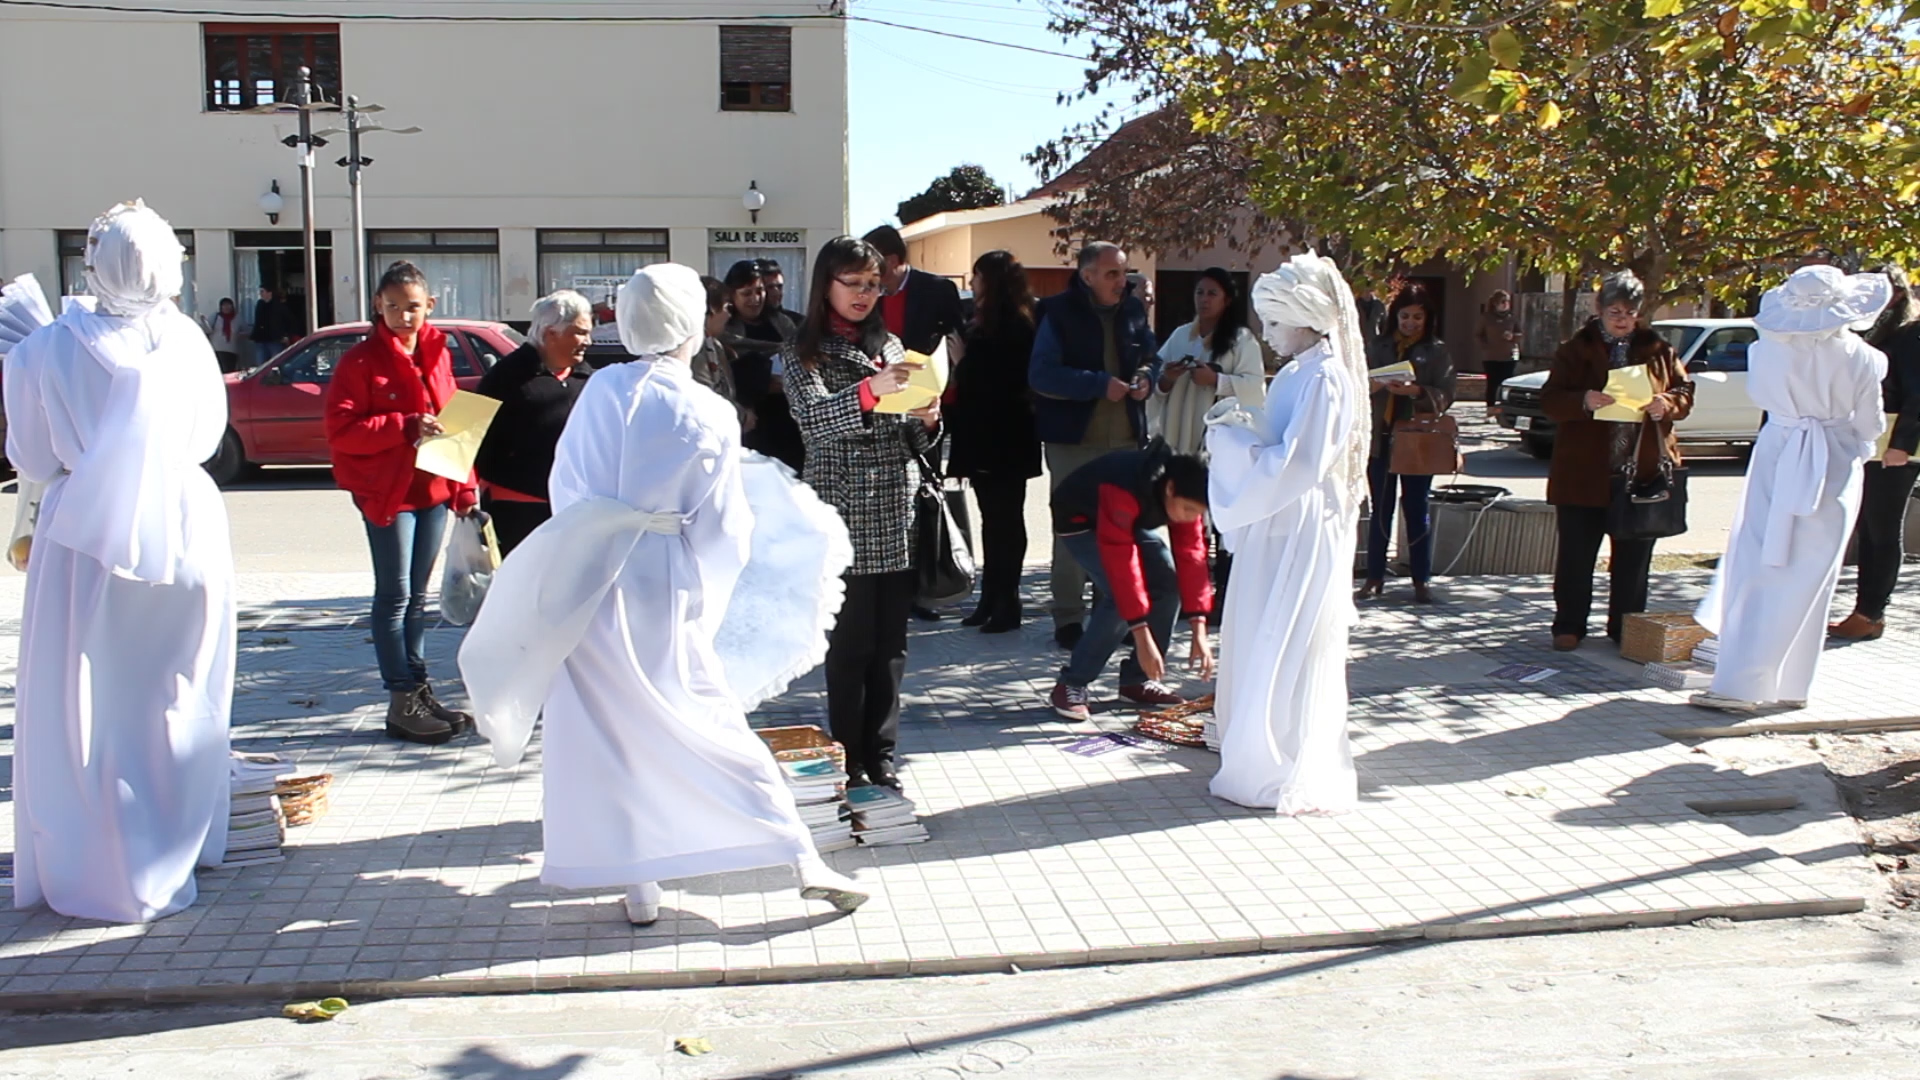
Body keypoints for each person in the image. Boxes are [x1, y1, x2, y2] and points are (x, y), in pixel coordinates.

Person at [458, 262, 869, 925]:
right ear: (687, 323)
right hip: (661, 580)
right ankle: (799, 857)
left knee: (606, 730)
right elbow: (725, 525)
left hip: (584, 579)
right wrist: (704, 591)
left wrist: (590, 544)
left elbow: (567, 488)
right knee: (707, 717)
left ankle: (638, 883)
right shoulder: (703, 406)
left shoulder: (598, 392)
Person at [4, 201, 235, 922]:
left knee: (86, 700)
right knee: (177, 693)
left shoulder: (43, 349)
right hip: (186, 524)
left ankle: (95, 854)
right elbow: (207, 437)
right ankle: (173, 844)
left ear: (92, 264)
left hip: (85, 539)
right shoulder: (190, 341)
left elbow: (32, 459)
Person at [1205, 251, 1371, 814]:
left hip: (1299, 524)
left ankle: (1279, 762)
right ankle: (1258, 754)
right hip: (1280, 520)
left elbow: (1300, 464)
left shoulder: (1325, 377)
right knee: (1262, 634)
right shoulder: (1302, 372)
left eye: (1274, 322)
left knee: (1287, 639)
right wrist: (1241, 428)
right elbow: (1283, 446)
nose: (1265, 333)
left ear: (1305, 318)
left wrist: (1232, 447)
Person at [1695, 266, 1891, 712]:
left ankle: (1741, 680)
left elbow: (1762, 399)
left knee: (1758, 563)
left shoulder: (1766, 352)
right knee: (1811, 573)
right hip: (1834, 461)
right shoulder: (1861, 356)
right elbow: (1870, 423)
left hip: (1779, 455)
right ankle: (1789, 685)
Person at [784, 236, 942, 791]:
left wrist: (927, 421)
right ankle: (849, 757)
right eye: (852, 283)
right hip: (841, 513)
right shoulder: (801, 350)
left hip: (894, 510)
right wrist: (870, 392)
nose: (863, 295)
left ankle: (883, 755)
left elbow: (908, 439)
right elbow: (813, 423)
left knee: (891, 647)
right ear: (826, 283)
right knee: (850, 647)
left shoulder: (892, 345)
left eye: (873, 285)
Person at [324, 260, 478, 745]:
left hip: (432, 489)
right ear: (378, 306)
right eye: (392, 307)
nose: (403, 316)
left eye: (412, 307)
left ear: (430, 305)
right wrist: (404, 425)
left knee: (417, 598)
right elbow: (342, 432)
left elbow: (454, 418)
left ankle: (418, 688)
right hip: (386, 493)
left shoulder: (438, 351)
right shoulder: (361, 361)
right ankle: (400, 699)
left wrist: (466, 488)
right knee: (393, 597)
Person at [1539, 270, 1692, 651]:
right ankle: (1569, 625)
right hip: (1584, 470)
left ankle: (1626, 627)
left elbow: (1684, 391)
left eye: (1629, 312)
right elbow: (1550, 399)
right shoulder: (1575, 349)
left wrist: (1667, 404)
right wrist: (1583, 401)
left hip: (1640, 471)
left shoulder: (1658, 349)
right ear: (1599, 309)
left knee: (1633, 559)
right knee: (1576, 556)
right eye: (1614, 311)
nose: (1622, 319)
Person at [1029, 242, 1162, 652]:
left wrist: (1144, 377)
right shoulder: (1057, 313)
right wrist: (1098, 384)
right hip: (1074, 440)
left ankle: (1114, 614)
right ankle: (1068, 617)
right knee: (1073, 531)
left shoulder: (1134, 310)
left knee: (1120, 530)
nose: (1121, 282)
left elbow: (1151, 357)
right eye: (1112, 274)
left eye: (1124, 273)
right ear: (1087, 276)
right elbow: (1042, 374)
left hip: (1124, 438)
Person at [1045, 441, 1215, 721]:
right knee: (1118, 596)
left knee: (1167, 584)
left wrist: (1199, 627)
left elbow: (1192, 556)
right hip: (1080, 520)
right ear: (1170, 489)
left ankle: (1137, 681)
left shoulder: (1187, 491)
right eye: (1187, 510)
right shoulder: (1124, 486)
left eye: (1197, 513)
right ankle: (1071, 684)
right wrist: (1141, 633)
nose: (1190, 518)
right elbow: (1122, 566)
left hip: (1127, 521)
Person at [863, 224, 969, 621]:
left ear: (891, 261)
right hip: (876, 404)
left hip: (924, 407)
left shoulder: (936, 289)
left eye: (874, 262)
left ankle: (924, 586)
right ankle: (889, 588)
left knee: (924, 497)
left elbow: (954, 340)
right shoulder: (866, 293)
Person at [947, 250, 1040, 633]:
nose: (972, 283)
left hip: (1006, 436)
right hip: (983, 435)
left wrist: (964, 361)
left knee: (1007, 520)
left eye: (978, 276)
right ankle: (991, 597)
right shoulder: (979, 320)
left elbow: (1000, 383)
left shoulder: (1017, 324)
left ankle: (1007, 602)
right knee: (991, 520)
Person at [1832, 264, 1920, 641]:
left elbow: (1918, 394)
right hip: (1872, 440)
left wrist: (1902, 445)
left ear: (1896, 295)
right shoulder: (1876, 333)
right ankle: (1865, 609)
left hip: (1895, 445)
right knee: (1868, 526)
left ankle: (1871, 613)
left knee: (1882, 529)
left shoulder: (1910, 335)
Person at [472, 289, 596, 555]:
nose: (589, 341)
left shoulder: (589, 380)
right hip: (517, 512)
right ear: (551, 334)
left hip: (575, 509)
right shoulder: (505, 378)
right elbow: (471, 438)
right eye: (580, 332)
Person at [1359, 284, 1455, 603]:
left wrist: (1416, 392)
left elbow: (1446, 393)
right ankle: (1374, 576)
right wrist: (1375, 385)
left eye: (1417, 316)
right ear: (1394, 316)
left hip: (1418, 440)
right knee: (1380, 509)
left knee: (1416, 508)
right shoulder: (1379, 345)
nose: (1410, 322)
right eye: (1404, 316)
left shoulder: (1437, 350)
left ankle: (1421, 579)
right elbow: (1358, 384)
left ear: (1428, 318)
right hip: (1381, 438)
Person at [1150, 268, 1267, 456]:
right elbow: (1155, 381)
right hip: (1174, 442)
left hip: (1216, 446)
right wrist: (1167, 379)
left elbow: (1255, 389)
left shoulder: (1241, 340)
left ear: (1226, 300)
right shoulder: (1180, 335)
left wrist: (1216, 380)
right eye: (1200, 293)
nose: (1204, 299)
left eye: (1212, 293)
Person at [720, 260, 803, 470]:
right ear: (732, 295)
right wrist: (762, 380)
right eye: (746, 293)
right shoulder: (724, 332)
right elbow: (727, 376)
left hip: (788, 423)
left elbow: (800, 357)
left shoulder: (783, 323)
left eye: (759, 291)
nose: (755, 299)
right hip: (752, 425)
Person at [692, 274, 741, 409]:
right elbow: (703, 398)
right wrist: (742, 416)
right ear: (712, 308)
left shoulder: (715, 346)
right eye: (726, 307)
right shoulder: (694, 349)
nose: (728, 315)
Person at [1476, 289, 1522, 413]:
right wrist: (1485, 346)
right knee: (1492, 383)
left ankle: (1505, 409)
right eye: (1502, 302)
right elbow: (1478, 335)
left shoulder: (1512, 317)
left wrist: (1513, 337)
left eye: (1507, 301)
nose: (1505, 304)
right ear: (1495, 303)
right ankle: (1490, 409)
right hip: (1491, 356)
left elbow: (1520, 333)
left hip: (1509, 356)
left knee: (1506, 383)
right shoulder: (1486, 318)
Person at [249, 284, 293, 367]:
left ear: (269, 293)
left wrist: (286, 335)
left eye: (262, 291)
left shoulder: (279, 306)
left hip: (275, 339)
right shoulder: (260, 304)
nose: (260, 294)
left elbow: (289, 321)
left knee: (275, 364)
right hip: (261, 339)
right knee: (261, 365)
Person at [757, 258, 804, 325]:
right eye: (770, 287)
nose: (776, 292)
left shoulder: (797, 322)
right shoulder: (743, 323)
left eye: (779, 286)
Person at [204, 296, 241, 372]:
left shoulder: (237, 318)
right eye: (224, 305)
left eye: (228, 305)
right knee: (220, 371)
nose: (226, 307)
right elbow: (207, 329)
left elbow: (247, 330)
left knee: (230, 371)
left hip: (232, 350)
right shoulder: (215, 316)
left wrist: (240, 334)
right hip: (218, 349)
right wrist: (204, 322)